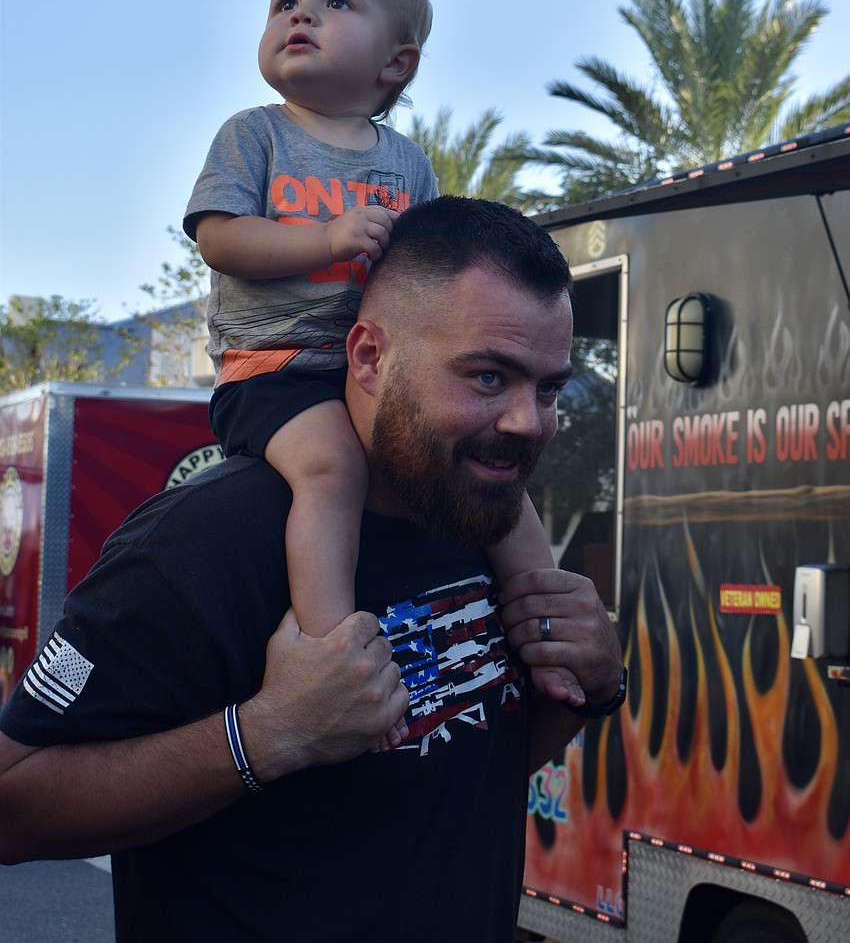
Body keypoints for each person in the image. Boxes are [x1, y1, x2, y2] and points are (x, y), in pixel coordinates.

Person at [0, 197, 624, 943]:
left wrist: (593, 683)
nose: (529, 420)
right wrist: (265, 736)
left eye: (548, 387)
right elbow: (11, 801)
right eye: (489, 377)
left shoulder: (475, 518)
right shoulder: (200, 543)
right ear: (368, 357)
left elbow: (475, 769)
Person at [185, 0, 581, 708]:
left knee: (497, 484)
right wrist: (325, 239)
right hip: (277, 367)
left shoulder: (406, 162)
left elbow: (431, 272)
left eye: (335, 2)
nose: (301, 14)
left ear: (397, 62)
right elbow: (218, 237)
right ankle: (332, 656)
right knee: (332, 470)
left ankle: (554, 624)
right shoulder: (256, 133)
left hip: (374, 371)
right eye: (285, 2)